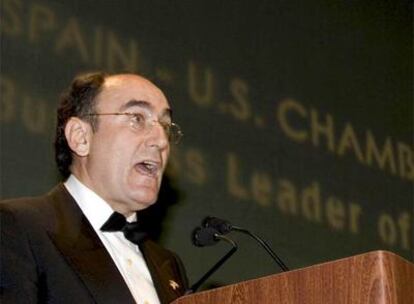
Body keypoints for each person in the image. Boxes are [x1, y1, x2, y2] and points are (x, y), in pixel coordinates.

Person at [0, 72, 188, 304]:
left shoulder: (168, 265)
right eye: (137, 118)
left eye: (166, 126)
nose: (161, 140)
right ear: (80, 137)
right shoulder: (17, 227)